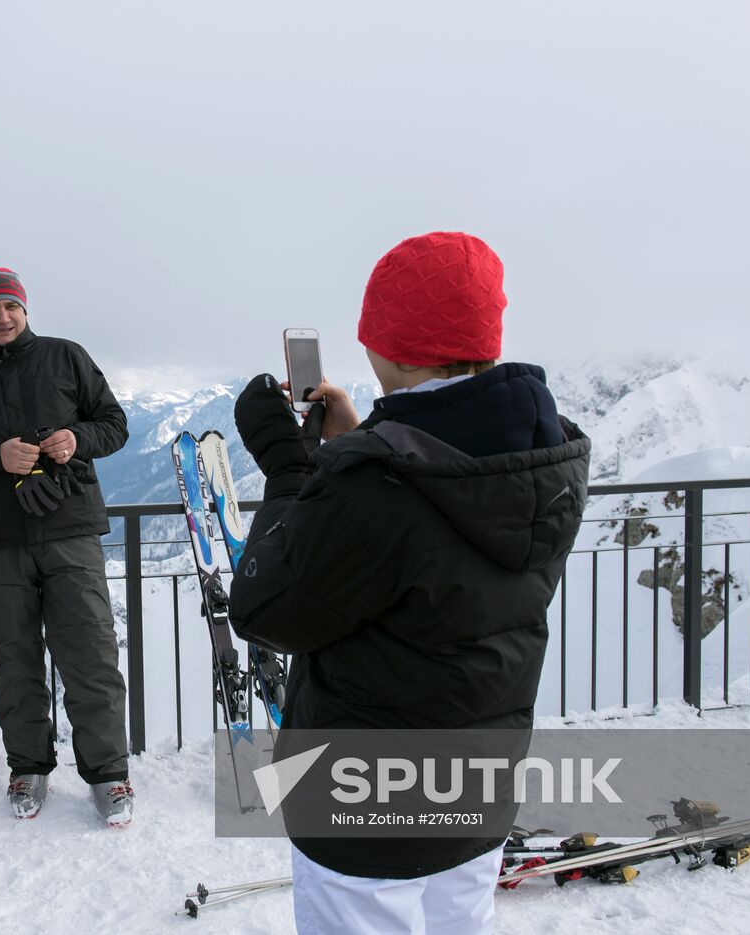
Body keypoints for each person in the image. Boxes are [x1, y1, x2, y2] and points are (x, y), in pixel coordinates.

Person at [228, 232, 591, 933]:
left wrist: (289, 469)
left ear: (389, 346)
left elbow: (266, 607)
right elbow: (440, 532)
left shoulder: (375, 486)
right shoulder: (544, 454)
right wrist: (361, 440)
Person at [0, 267, 134, 826]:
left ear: (25, 309)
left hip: (70, 530)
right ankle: (28, 767)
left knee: (90, 654)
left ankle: (109, 774)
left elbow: (114, 424)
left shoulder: (66, 356)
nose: (2, 316)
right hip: (0, 540)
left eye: (10, 306)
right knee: (14, 660)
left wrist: (78, 438)